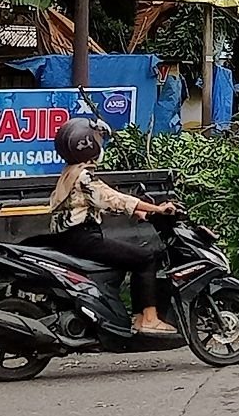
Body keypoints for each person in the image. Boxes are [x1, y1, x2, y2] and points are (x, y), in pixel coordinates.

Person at [49, 117, 177, 334]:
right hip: (85, 239)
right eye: (97, 139)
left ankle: (130, 318)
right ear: (86, 144)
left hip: (72, 239)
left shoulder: (69, 172)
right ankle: (147, 319)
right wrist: (158, 209)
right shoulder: (83, 176)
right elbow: (113, 198)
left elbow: (97, 203)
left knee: (127, 260)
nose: (100, 144)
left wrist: (140, 213)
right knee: (146, 258)